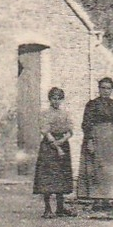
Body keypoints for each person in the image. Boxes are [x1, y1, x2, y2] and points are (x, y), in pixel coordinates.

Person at [79, 77, 113, 208]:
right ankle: (98, 198)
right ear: (99, 89)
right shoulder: (92, 104)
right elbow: (86, 124)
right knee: (98, 168)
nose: (105, 91)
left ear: (112, 90)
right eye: (103, 88)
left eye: (108, 88)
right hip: (98, 138)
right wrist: (89, 140)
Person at [34, 87, 76, 218]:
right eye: (54, 98)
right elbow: (45, 131)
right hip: (49, 147)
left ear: (62, 100)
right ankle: (47, 208)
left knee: (62, 176)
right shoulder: (45, 114)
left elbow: (70, 130)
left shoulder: (65, 114)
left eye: (59, 99)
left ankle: (60, 207)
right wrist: (56, 146)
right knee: (48, 177)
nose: (56, 101)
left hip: (63, 144)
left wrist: (63, 140)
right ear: (49, 99)